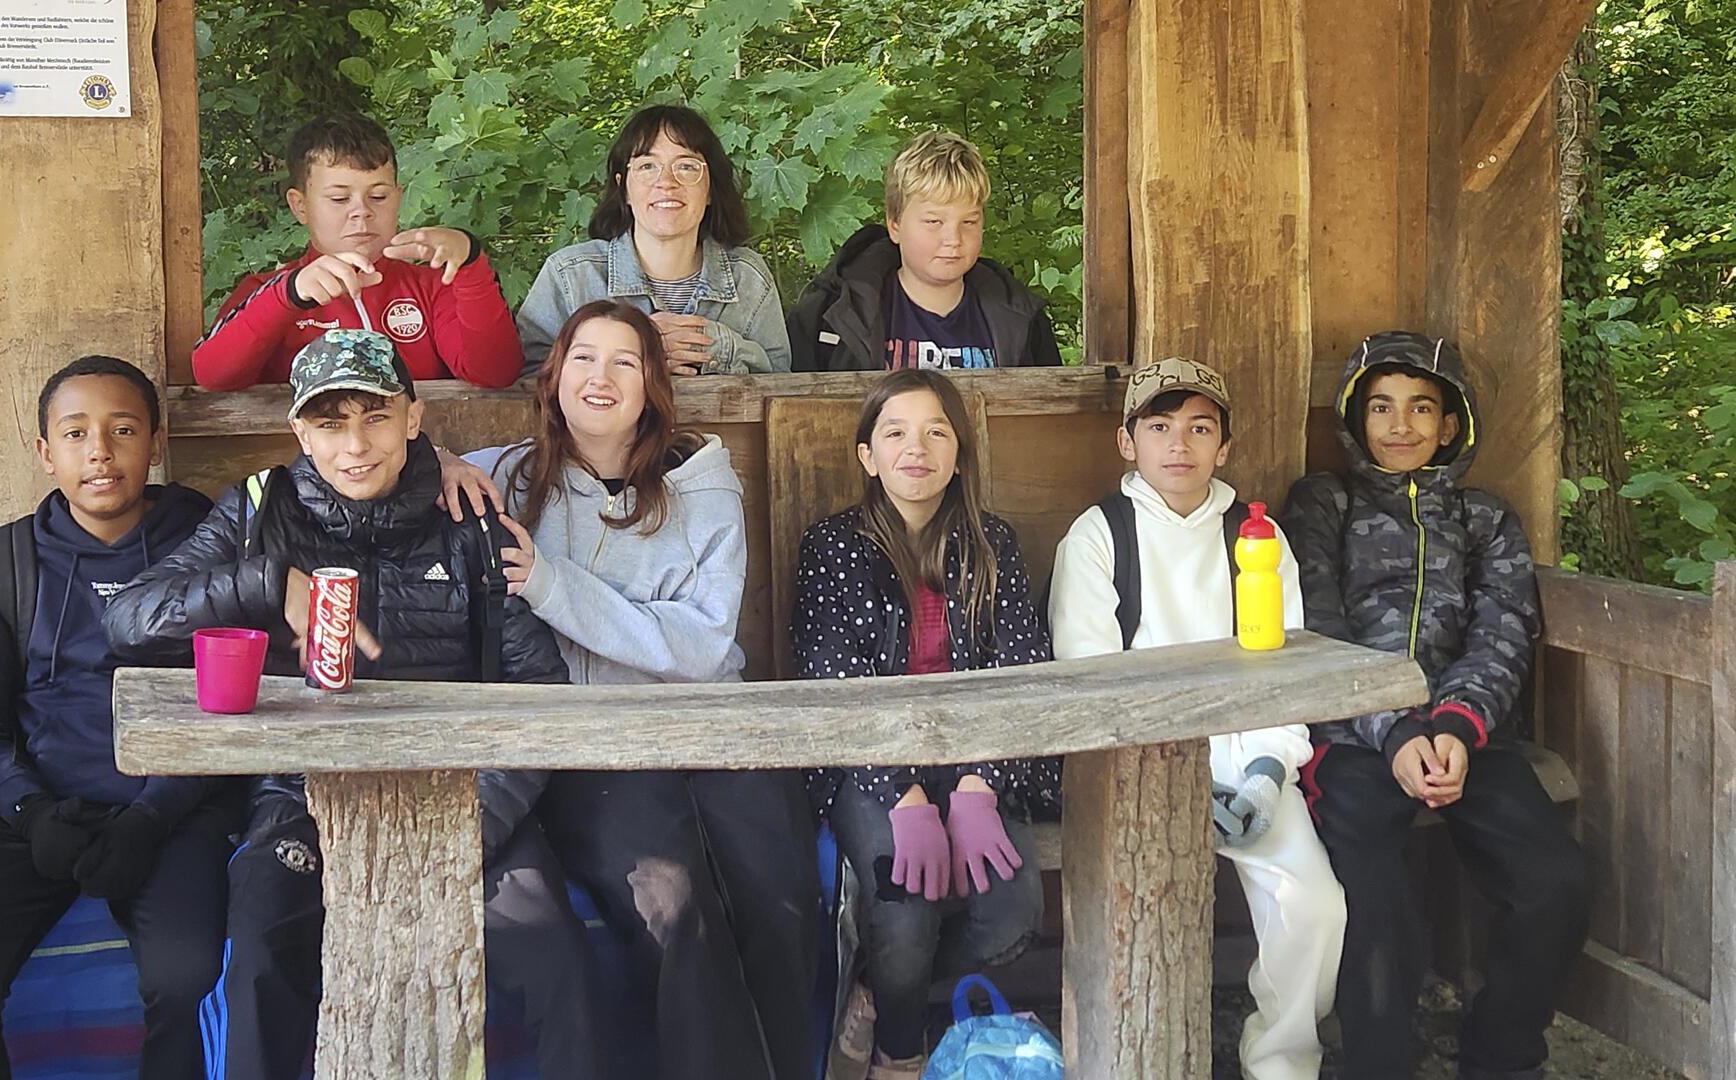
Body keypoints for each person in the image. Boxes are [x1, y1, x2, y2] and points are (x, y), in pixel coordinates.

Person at [104, 330, 609, 1080]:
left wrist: (478, 818)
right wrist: (266, 583)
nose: (356, 445)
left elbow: (537, 689)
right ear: (301, 432)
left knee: (560, 965)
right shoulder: (258, 509)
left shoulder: (467, 523)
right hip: (300, 797)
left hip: (462, 796)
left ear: (412, 419)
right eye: (331, 424)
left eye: (375, 418)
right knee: (260, 960)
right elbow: (127, 621)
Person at [466, 300, 818, 1079]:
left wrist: (554, 587)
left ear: (652, 385)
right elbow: (371, 461)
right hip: (594, 745)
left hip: (711, 724)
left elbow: (699, 646)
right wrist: (442, 463)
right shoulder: (501, 477)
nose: (601, 377)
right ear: (554, 376)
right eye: (583, 358)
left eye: (625, 361)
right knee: (672, 901)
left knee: (782, 896)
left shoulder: (704, 488)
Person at [0, 356, 235, 1080]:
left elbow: (236, 706)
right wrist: (29, 811)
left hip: (168, 810)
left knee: (187, 979)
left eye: (122, 430)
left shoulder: (207, 545)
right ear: (45, 451)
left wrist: (153, 817)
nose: (101, 453)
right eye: (76, 433)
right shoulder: (13, 558)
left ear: (156, 439)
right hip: (32, 814)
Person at [1281, 331, 1590, 1080]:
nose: (1401, 425)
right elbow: (1315, 626)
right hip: (1356, 741)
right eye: (1381, 407)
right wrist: (1395, 731)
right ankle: (1381, 1066)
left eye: (1422, 408)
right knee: (1376, 903)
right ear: (1356, 420)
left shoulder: (1485, 518)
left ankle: (1502, 1056)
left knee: (1556, 880)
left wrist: (1455, 726)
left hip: (1469, 738)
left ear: (1450, 425)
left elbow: (1504, 626)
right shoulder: (1322, 504)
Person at [1048, 357, 1346, 1080]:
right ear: (1129, 442)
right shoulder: (1097, 539)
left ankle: (1280, 1061)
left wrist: (1270, 775)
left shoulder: (1257, 538)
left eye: (1199, 428)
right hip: (1136, 767)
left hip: (1249, 761)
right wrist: (1175, 784)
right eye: (1159, 427)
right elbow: (1092, 688)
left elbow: (1286, 673)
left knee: (1314, 902)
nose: (1178, 445)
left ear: (1225, 447)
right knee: (1141, 919)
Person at [790, 367, 1050, 1080]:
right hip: (869, 765)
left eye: (937, 431)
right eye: (896, 432)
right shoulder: (833, 549)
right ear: (868, 456)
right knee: (904, 912)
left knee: (1011, 910)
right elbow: (829, 681)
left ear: (959, 454)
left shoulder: (991, 543)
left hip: (973, 757)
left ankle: (875, 992)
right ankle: (898, 1057)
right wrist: (900, 793)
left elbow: (1020, 669)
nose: (918, 448)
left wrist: (979, 784)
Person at [193, 111, 523, 390]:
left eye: (377, 196)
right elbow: (211, 375)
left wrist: (470, 263)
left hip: (428, 461)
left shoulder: (433, 285)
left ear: (398, 197)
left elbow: (495, 373)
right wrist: (289, 295)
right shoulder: (268, 292)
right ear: (300, 206)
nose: (361, 211)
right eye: (339, 198)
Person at [516, 105, 791, 377]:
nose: (666, 182)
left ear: (710, 190)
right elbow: (528, 381)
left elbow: (782, 385)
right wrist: (631, 351)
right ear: (624, 188)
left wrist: (716, 346)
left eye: (686, 166)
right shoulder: (570, 276)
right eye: (648, 166)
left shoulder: (748, 276)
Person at [786, 130, 1062, 372]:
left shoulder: (1022, 318)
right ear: (895, 224)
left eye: (969, 222)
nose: (953, 239)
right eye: (934, 222)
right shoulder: (832, 317)